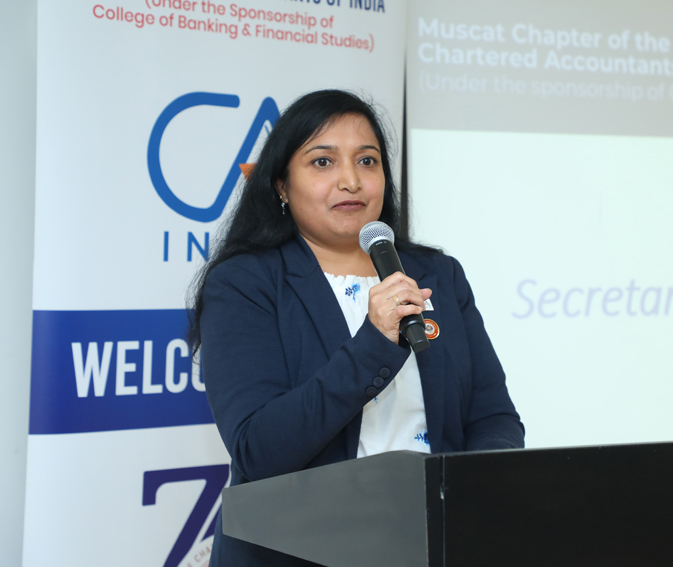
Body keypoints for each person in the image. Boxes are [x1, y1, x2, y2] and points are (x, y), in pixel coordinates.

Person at [189, 89, 524, 566]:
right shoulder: (245, 283)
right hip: (297, 550)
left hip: (428, 544)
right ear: (281, 185)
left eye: (367, 161)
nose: (350, 180)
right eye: (322, 162)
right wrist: (375, 342)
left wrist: (476, 496)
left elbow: (493, 418)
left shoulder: (437, 275)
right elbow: (259, 451)